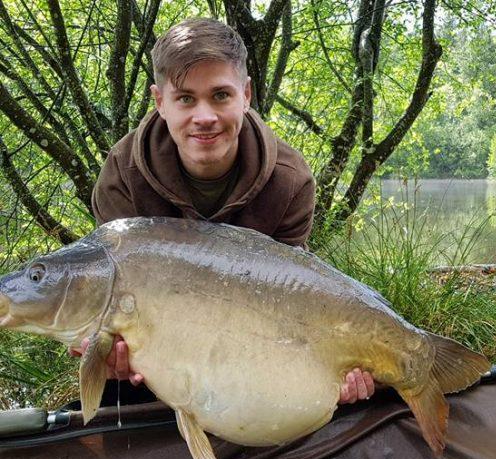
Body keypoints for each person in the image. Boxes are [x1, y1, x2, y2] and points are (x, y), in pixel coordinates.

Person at [72, 18, 374, 404]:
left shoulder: (290, 180)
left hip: (253, 353)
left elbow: (293, 305)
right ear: (159, 101)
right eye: (185, 98)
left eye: (220, 95)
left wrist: (326, 373)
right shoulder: (123, 174)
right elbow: (113, 299)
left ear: (245, 95)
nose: (204, 117)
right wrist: (107, 354)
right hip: (156, 359)